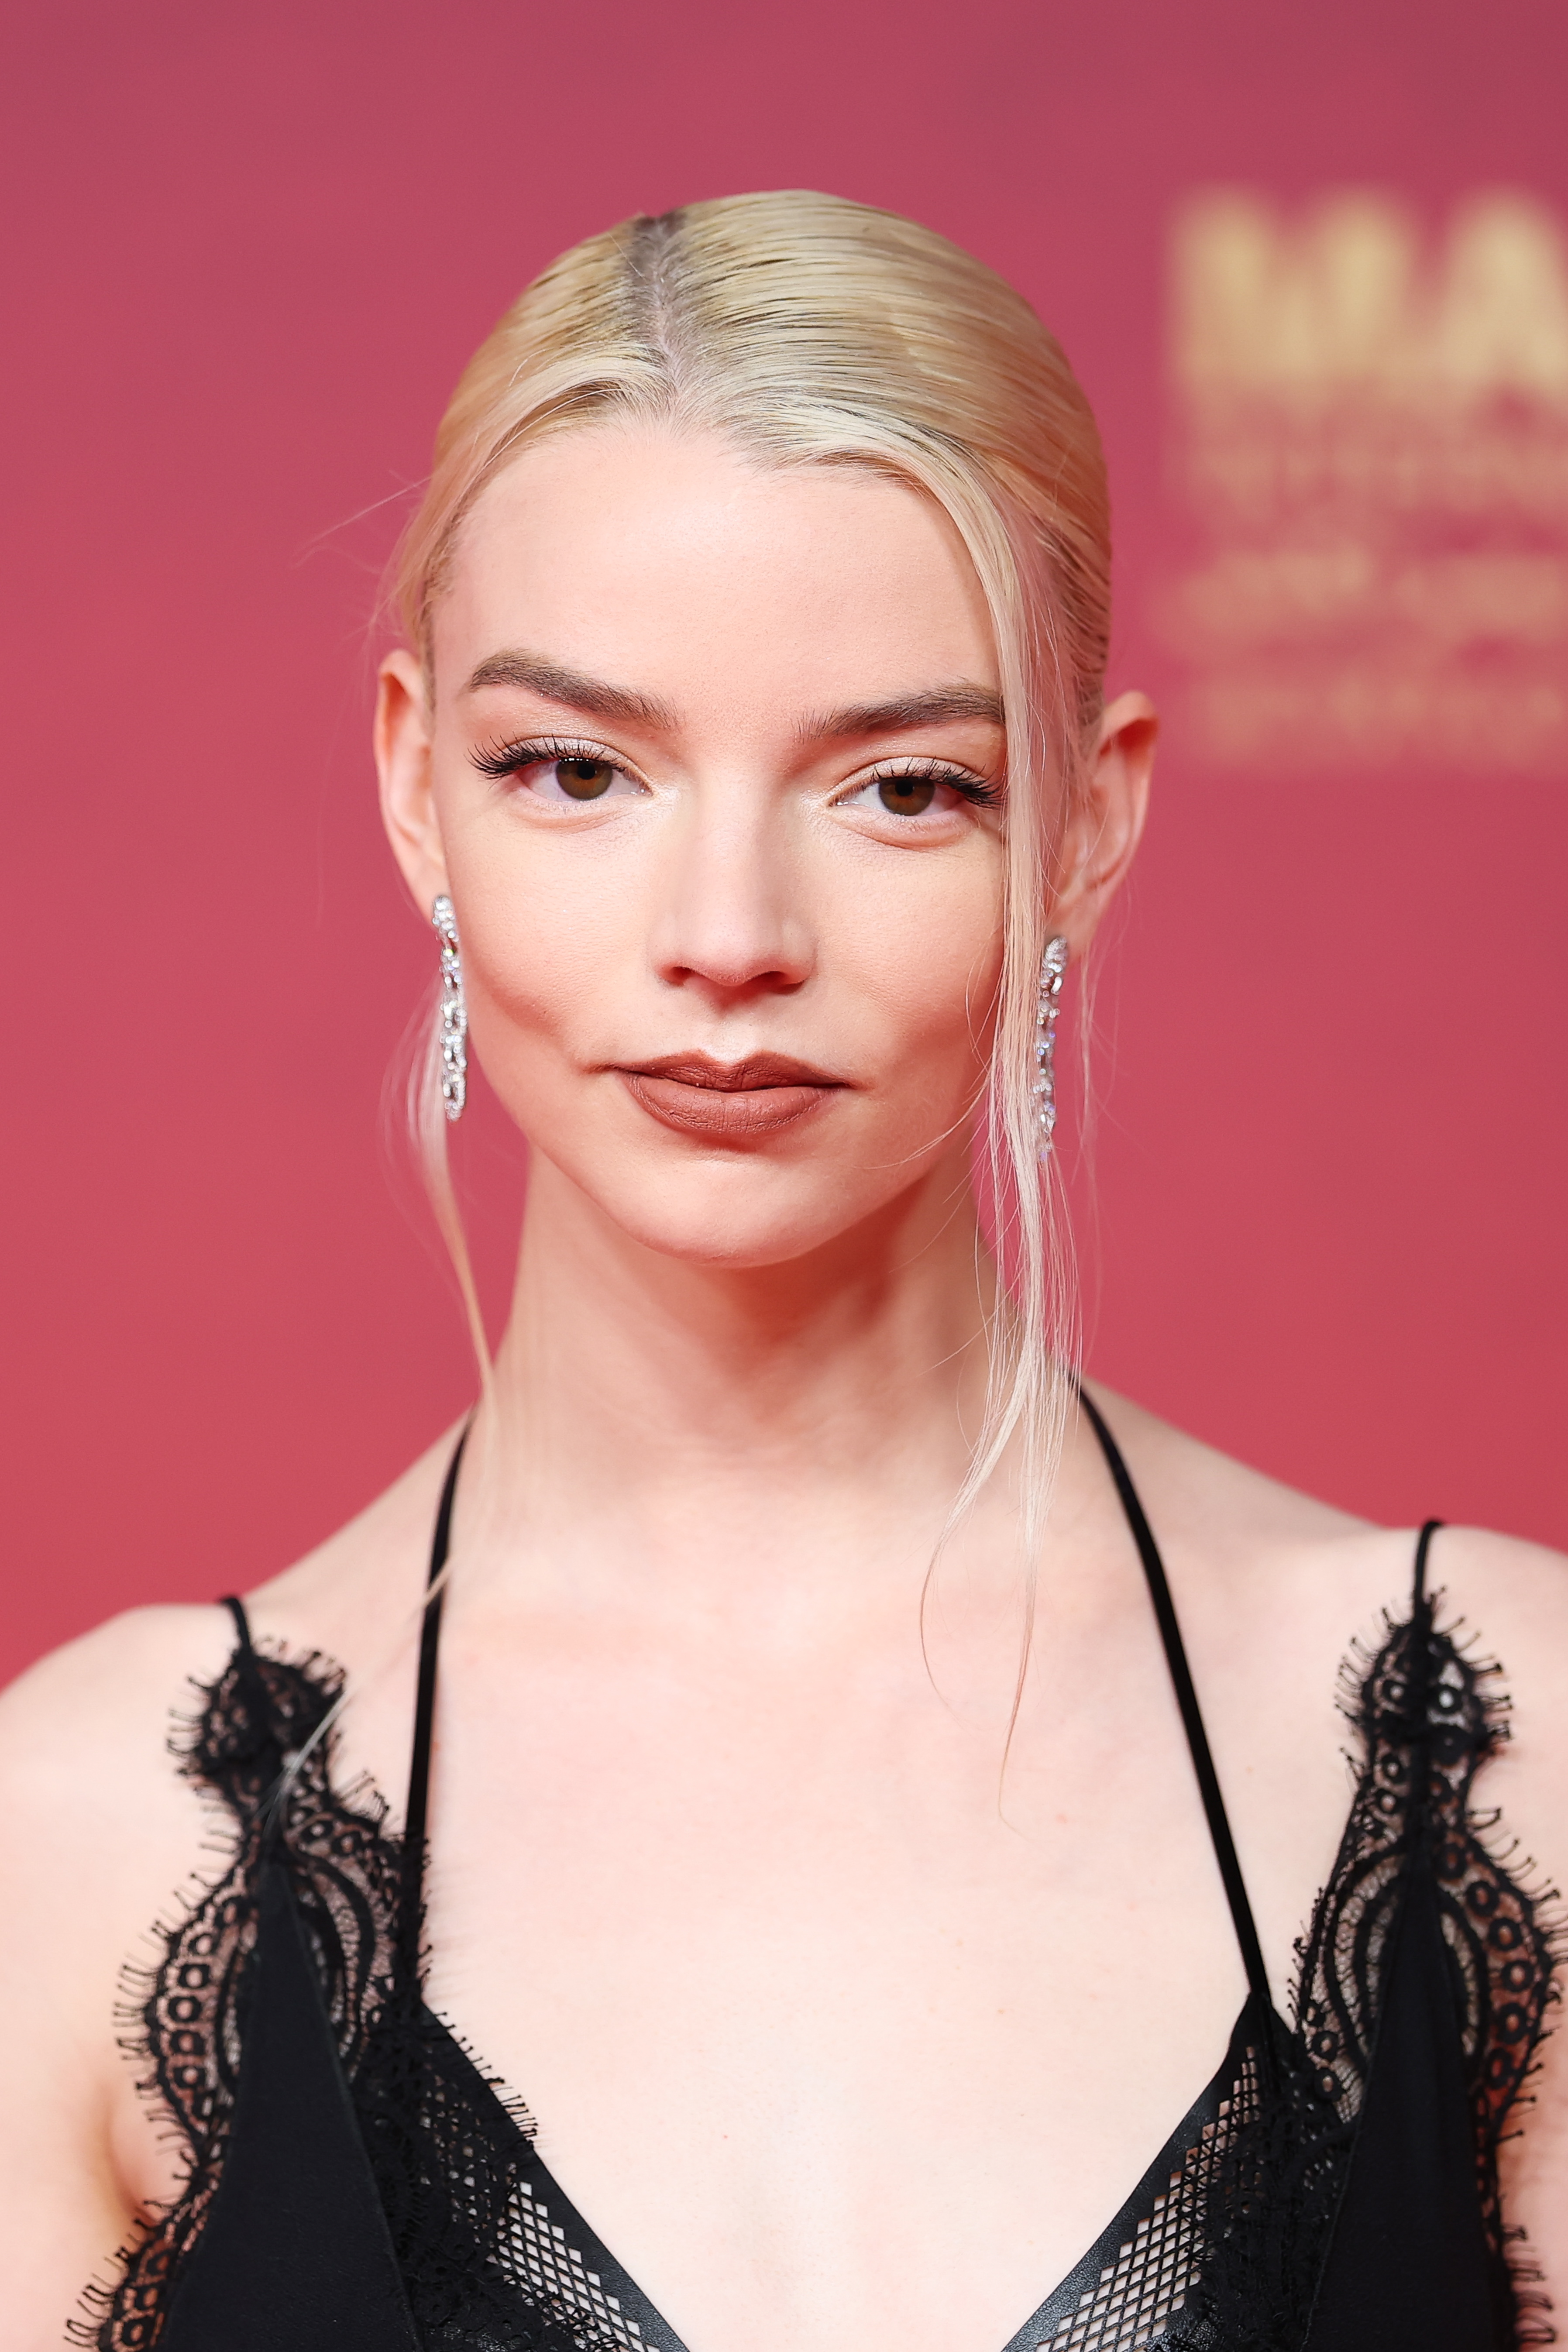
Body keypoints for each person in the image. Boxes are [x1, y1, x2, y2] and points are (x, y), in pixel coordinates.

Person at [0, 191, 1563, 2352]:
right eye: (574, 770)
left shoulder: (1512, 1747)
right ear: (414, 788)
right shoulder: (82, 1844)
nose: (727, 934)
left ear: (1087, 827)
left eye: (902, 788)